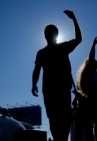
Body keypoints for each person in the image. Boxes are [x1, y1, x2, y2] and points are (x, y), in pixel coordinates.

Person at [31, 10, 82, 141]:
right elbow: (36, 69)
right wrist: (33, 84)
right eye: (46, 32)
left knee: (64, 118)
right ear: (44, 36)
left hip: (62, 89)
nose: (48, 34)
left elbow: (78, 39)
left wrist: (74, 19)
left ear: (56, 34)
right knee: (53, 119)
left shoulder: (63, 47)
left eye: (51, 32)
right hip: (49, 91)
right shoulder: (41, 53)